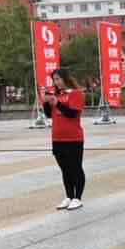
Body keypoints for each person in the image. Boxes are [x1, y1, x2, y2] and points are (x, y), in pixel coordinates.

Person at [42, 69, 85, 211]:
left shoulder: (75, 93)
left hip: (73, 138)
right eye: (54, 80)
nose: (56, 82)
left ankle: (77, 198)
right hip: (57, 138)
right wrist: (46, 102)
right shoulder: (57, 95)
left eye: (58, 79)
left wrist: (57, 103)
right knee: (65, 169)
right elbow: (49, 115)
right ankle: (69, 196)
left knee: (75, 168)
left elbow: (72, 114)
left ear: (65, 78)